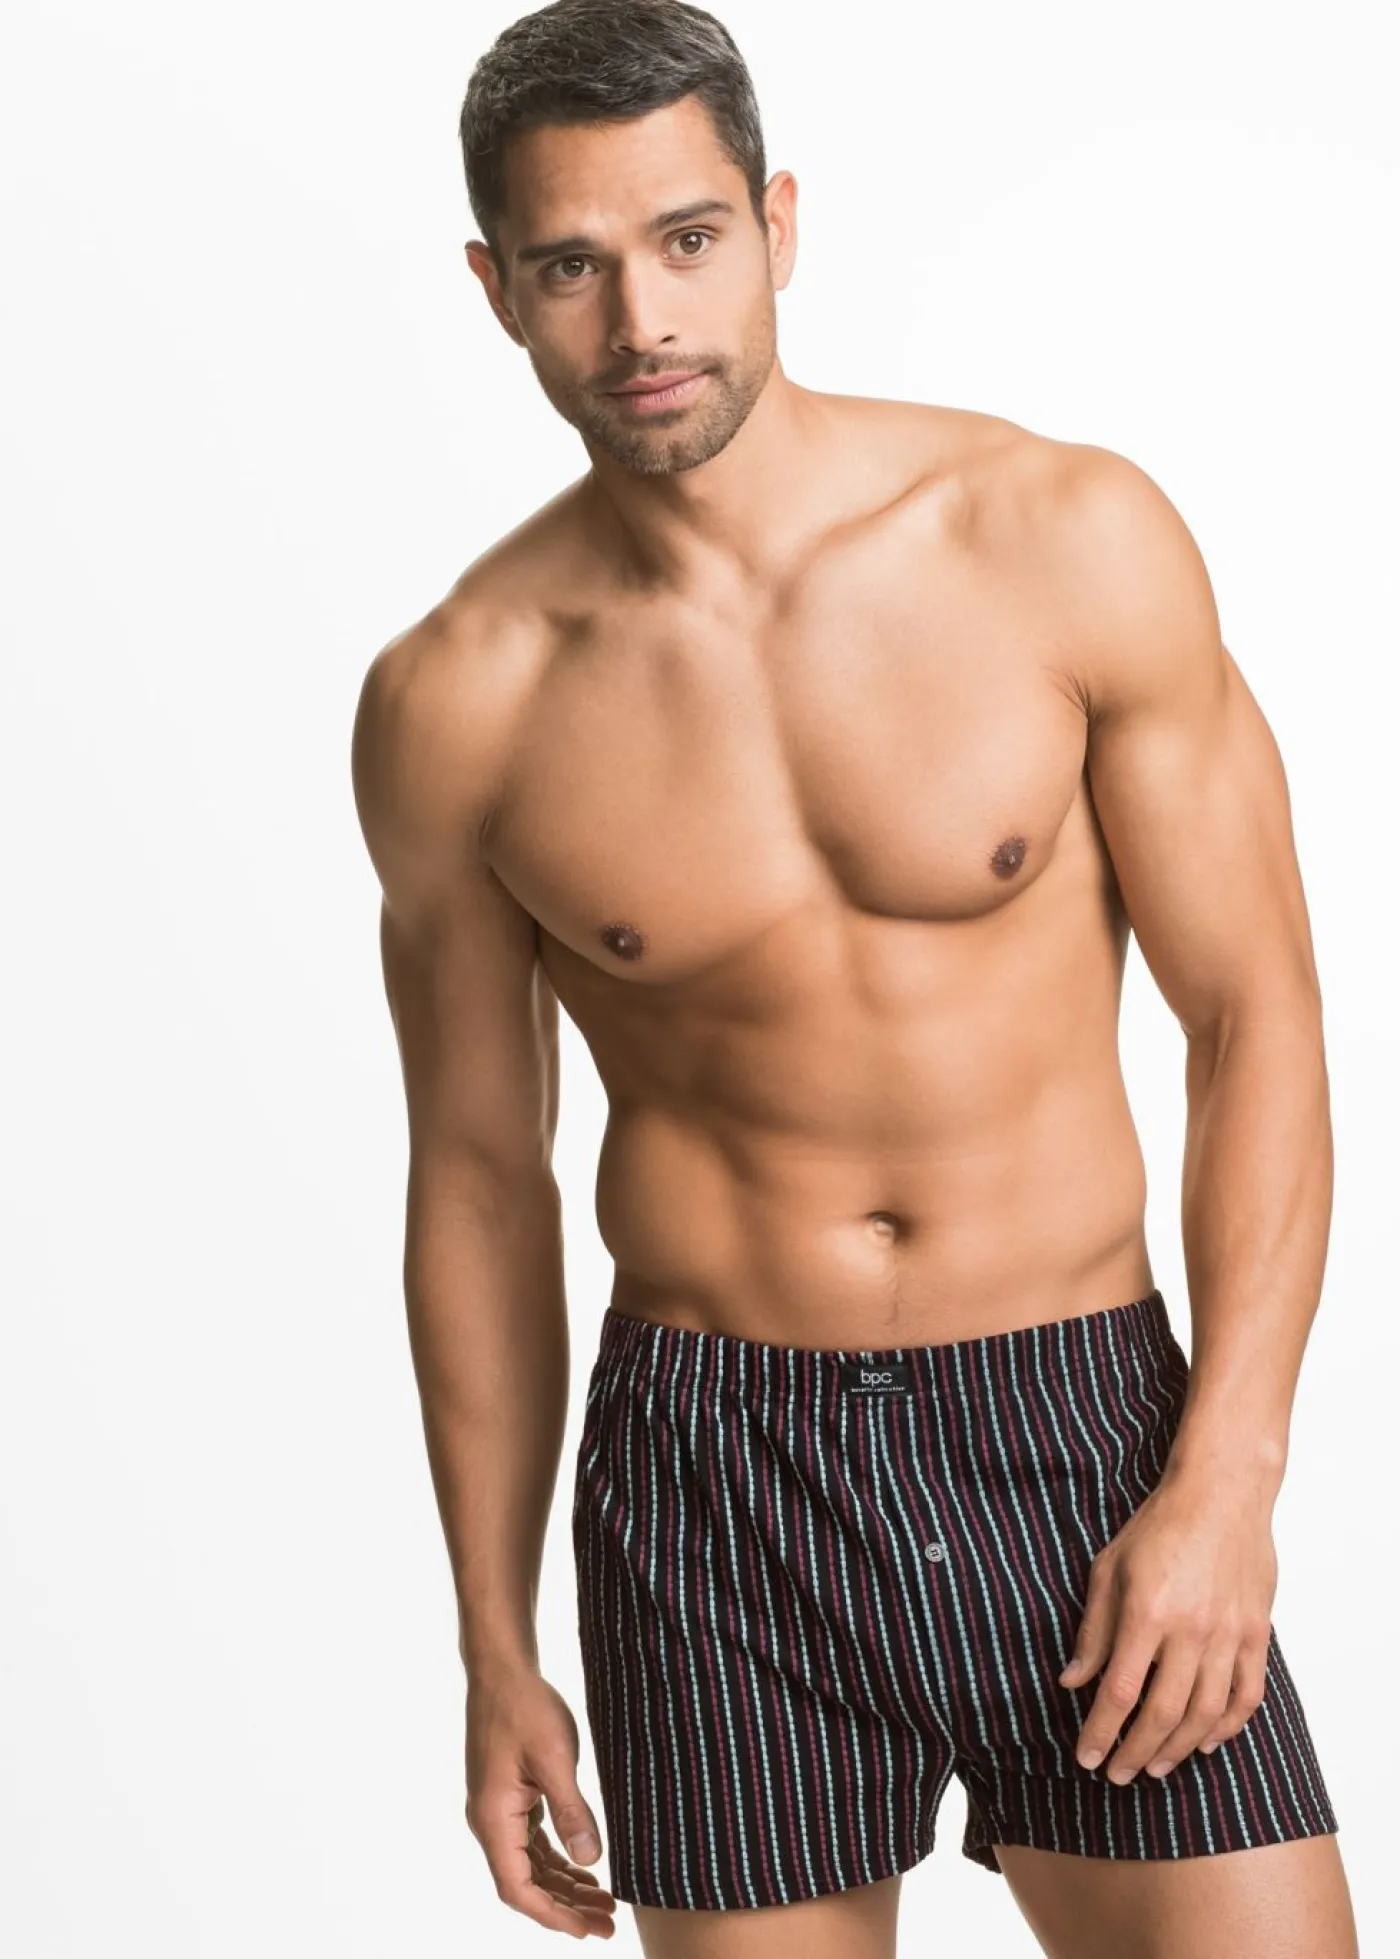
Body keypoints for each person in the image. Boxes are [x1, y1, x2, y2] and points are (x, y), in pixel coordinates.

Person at [349, 2, 1358, 1953]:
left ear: (779, 223)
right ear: (496, 291)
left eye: (687, 239)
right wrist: (493, 1639)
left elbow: (1255, 1020)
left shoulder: (1061, 539)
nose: (641, 319)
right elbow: (476, 1179)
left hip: (1080, 1426)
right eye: (570, 265)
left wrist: (1228, 1472)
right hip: (711, 1476)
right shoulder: (459, 701)